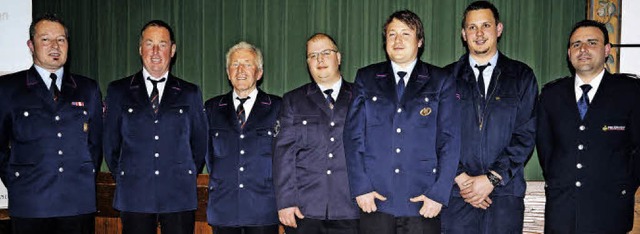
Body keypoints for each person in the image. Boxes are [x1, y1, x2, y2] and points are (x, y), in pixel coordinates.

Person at [343, 10, 460, 234]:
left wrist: (438, 193)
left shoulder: (441, 81)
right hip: (375, 199)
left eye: (406, 34)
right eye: (391, 34)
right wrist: (361, 187)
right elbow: (352, 136)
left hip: (423, 200)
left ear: (420, 41)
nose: (397, 40)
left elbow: (450, 140)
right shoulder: (366, 78)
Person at [439, 1, 538, 233]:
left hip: (504, 194)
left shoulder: (521, 76)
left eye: (486, 25)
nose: (479, 33)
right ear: (464, 34)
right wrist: (464, 181)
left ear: (499, 29)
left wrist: (491, 179)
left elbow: (526, 134)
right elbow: (437, 135)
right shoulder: (445, 78)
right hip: (457, 196)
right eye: (472, 27)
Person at [0, 13, 102, 234]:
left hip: (77, 204)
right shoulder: (8, 88)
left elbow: (95, 144)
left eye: (61, 40)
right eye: (46, 39)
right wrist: (18, 181)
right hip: (31, 203)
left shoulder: (88, 88)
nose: (55, 46)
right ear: (31, 45)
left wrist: (81, 177)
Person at [103, 20, 207, 234]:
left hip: (178, 197)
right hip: (135, 196)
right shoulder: (119, 90)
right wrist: (129, 174)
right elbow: (110, 144)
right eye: (149, 44)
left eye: (163, 44)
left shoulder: (190, 93)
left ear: (173, 50)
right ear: (140, 49)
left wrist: (180, 173)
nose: (156, 51)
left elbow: (200, 143)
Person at [536, 19, 640, 234]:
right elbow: (546, 151)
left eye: (592, 42)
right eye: (576, 44)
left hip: (610, 210)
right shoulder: (551, 95)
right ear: (568, 52)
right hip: (562, 211)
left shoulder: (630, 92)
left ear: (607, 49)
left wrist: (622, 188)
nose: (583, 49)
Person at [274, 33, 359, 234]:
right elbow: (283, 155)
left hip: (350, 207)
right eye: (313, 55)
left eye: (325, 53)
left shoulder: (360, 97)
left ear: (338, 58)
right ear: (307, 63)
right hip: (305, 210)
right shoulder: (293, 100)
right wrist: (285, 202)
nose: (319, 59)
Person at [204, 41, 281, 234]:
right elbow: (208, 156)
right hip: (224, 209)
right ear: (228, 73)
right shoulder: (212, 108)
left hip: (263, 209)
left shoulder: (278, 107)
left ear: (259, 72)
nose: (240, 70)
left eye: (247, 64)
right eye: (235, 64)